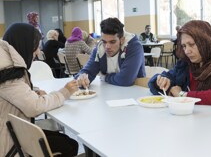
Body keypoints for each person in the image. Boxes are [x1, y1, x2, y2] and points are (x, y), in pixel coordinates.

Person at [0, 23, 79, 156]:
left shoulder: (7, 67)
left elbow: (16, 92)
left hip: (13, 132)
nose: (37, 52)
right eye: (34, 48)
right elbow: (34, 107)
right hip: (9, 143)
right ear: (24, 45)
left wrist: (33, 91)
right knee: (69, 145)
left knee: (66, 142)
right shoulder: (7, 74)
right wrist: (64, 92)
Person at [148, 20, 211, 106]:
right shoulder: (187, 63)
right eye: (184, 46)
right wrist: (162, 81)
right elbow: (166, 77)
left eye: (191, 44)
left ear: (206, 42)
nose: (187, 51)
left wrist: (183, 95)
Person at [76, 17, 145, 87]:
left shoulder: (134, 47)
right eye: (104, 42)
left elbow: (126, 79)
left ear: (122, 40)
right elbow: (87, 72)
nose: (107, 46)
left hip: (135, 92)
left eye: (112, 42)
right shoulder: (99, 49)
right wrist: (82, 78)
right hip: (109, 92)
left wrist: (105, 77)